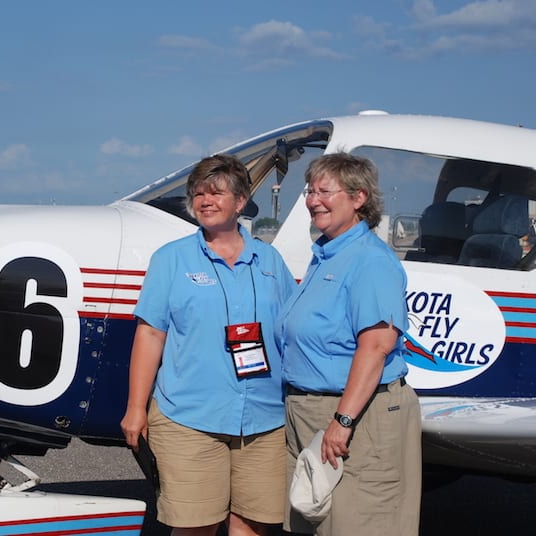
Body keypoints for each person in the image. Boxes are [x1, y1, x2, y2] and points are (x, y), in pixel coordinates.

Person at [120, 154, 296, 536]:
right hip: (189, 417)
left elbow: (290, 331)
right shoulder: (171, 259)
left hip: (264, 421)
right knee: (196, 527)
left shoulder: (270, 261)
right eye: (198, 193)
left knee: (252, 526)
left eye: (216, 192)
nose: (205, 200)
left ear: (240, 201)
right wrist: (136, 409)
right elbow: (150, 334)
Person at [274, 153, 421, 536]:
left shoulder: (370, 261)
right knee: (314, 519)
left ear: (359, 198)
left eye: (324, 191)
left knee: (360, 522)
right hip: (309, 411)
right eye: (310, 190)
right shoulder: (326, 255)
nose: (312, 199)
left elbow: (375, 346)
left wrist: (342, 421)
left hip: (355, 415)